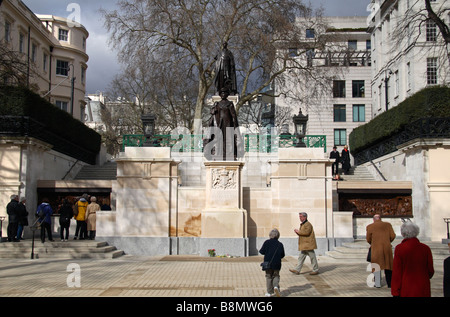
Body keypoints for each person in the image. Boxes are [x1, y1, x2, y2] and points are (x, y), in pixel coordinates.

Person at [391, 221, 434, 297]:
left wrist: (395, 291)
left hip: (406, 287)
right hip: (423, 286)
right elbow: (430, 270)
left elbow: (397, 271)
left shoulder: (400, 248)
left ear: (403, 233)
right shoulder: (425, 248)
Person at [205, 88, 242, 161]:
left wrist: (235, 125)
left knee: (229, 139)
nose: (223, 94)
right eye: (222, 93)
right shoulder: (217, 104)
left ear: (227, 94)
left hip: (228, 124)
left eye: (224, 93)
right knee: (219, 139)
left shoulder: (230, 103)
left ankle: (229, 153)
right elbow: (212, 113)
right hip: (220, 124)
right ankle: (219, 153)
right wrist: (213, 110)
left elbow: (233, 115)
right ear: (220, 95)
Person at [366, 214, 396, 288]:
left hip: (375, 249)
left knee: (376, 266)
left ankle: (378, 283)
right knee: (388, 266)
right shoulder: (388, 225)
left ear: (373, 219)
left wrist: (373, 243)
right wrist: (387, 242)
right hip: (387, 248)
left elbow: (368, 239)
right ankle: (390, 284)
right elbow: (393, 236)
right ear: (380, 218)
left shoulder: (370, 226)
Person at [259, 228, 285, 297]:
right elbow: (282, 255)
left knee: (268, 276)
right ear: (278, 235)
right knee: (276, 275)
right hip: (277, 263)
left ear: (270, 235)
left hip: (268, 263)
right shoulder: (280, 244)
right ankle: (276, 286)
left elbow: (261, 251)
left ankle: (269, 292)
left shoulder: (266, 242)